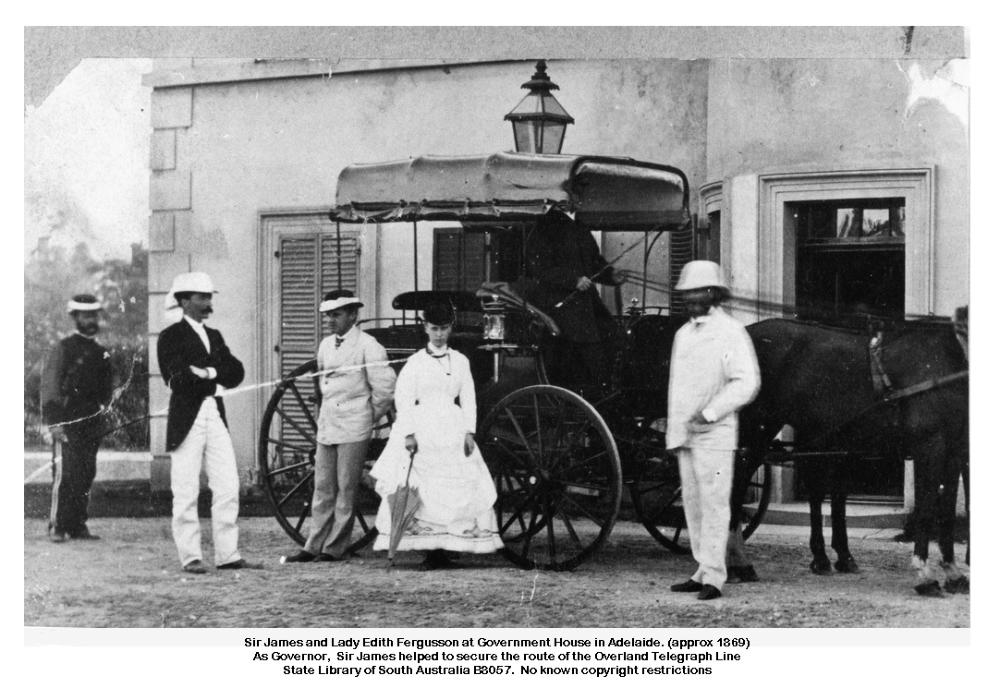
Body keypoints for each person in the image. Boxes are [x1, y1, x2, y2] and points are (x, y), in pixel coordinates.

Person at [370, 303, 502, 568]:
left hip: (452, 425)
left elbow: (468, 397)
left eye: (443, 329)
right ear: (426, 328)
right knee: (425, 483)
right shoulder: (416, 363)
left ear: (450, 329)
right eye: (434, 329)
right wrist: (408, 433)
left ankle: (452, 542)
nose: (439, 334)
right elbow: (404, 399)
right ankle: (430, 549)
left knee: (458, 480)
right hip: (423, 426)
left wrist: (469, 431)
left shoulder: (460, 361)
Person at [665, 261, 760, 600]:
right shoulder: (683, 335)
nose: (691, 298)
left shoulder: (731, 331)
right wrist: (675, 429)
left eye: (697, 291)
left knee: (715, 504)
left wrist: (710, 413)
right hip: (686, 435)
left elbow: (746, 382)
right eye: (686, 293)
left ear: (713, 293)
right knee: (693, 506)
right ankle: (702, 569)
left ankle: (716, 578)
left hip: (715, 435)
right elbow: (677, 388)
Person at [282, 290, 396, 563]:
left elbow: (384, 389)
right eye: (328, 315)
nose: (330, 320)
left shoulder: (369, 346)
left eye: (337, 314)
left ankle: (334, 548)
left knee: (346, 487)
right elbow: (323, 382)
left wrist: (367, 417)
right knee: (323, 487)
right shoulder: (325, 345)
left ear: (353, 315)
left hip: (355, 425)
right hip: (328, 424)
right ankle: (313, 546)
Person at [157, 272, 250, 574]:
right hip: (187, 417)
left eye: (209, 297)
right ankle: (190, 556)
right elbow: (177, 379)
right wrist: (216, 380)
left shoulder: (215, 336)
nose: (208, 302)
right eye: (202, 297)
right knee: (185, 489)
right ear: (184, 301)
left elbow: (236, 372)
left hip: (215, 414)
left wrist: (207, 373)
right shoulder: (170, 336)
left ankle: (228, 554)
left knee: (228, 485)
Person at [525, 210, 626, 389]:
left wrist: (611, 275)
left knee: (613, 336)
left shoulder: (580, 225)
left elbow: (594, 262)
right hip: (560, 306)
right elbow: (539, 267)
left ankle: (603, 393)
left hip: (586, 305)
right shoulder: (545, 225)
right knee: (578, 357)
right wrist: (573, 280)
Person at [40, 293, 113, 542]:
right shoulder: (63, 348)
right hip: (66, 421)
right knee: (66, 474)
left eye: (93, 315)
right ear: (75, 318)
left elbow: (106, 390)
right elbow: (50, 387)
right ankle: (57, 526)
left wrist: (103, 412)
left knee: (86, 473)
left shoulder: (101, 352)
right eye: (85, 315)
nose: (90, 320)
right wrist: (55, 422)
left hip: (91, 422)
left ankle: (78, 524)